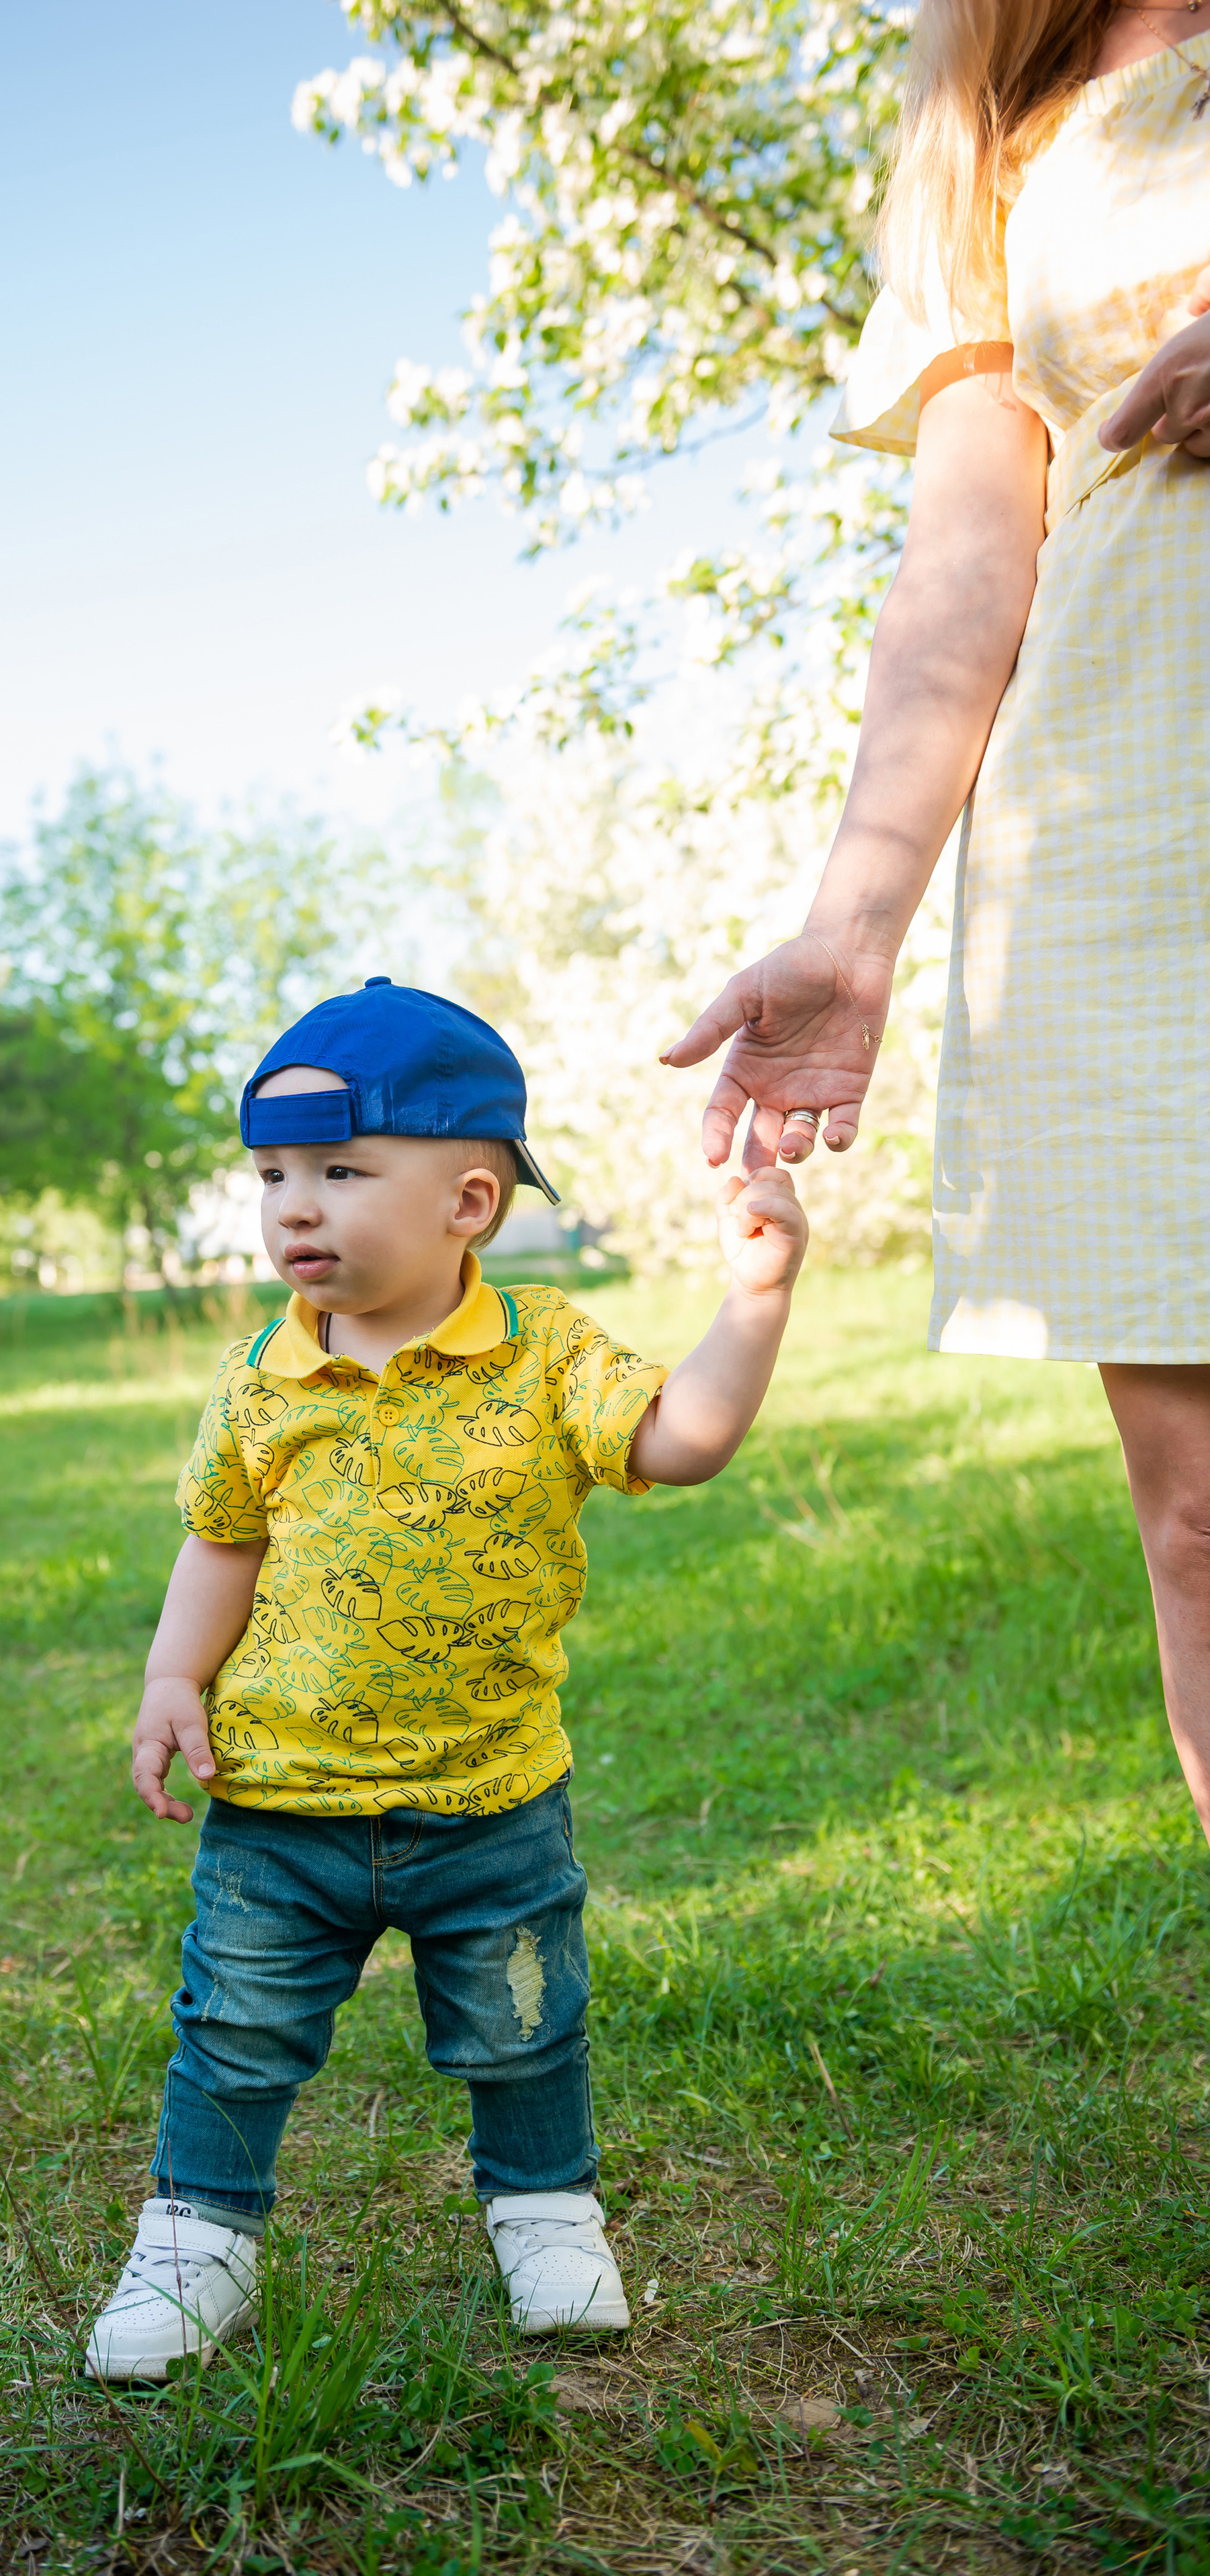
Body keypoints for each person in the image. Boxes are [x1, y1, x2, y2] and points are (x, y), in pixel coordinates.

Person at [85, 978, 808, 2380]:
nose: (294, 1207)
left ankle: (544, 2212)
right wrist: (175, 1679)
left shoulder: (545, 1355)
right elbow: (221, 1538)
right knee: (230, 2035)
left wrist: (757, 1294)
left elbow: (682, 1439)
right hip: (279, 1804)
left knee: (522, 2029)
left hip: (487, 1804)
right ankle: (195, 2243)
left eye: (342, 1172)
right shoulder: (262, 1379)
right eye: (273, 1175)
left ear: (468, 1202)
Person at [662, 0, 1210, 1846]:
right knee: (1203, 1523)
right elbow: (970, 557)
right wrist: (853, 925)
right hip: (1132, 834)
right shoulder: (1001, 109)